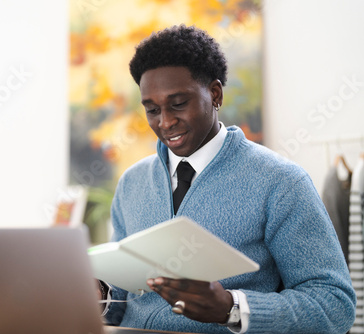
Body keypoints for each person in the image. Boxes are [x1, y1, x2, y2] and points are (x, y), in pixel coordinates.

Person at [97, 25, 356, 333]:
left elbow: (335, 305)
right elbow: (121, 297)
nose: (165, 122)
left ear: (215, 94)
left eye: (178, 104)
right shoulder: (132, 183)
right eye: (152, 110)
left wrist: (232, 308)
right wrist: (100, 295)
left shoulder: (281, 182)